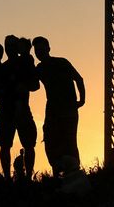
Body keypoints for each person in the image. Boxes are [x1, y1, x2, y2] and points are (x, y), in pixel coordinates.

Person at [32, 36, 85, 176]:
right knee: (51, 140)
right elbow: (33, 85)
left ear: (48, 48)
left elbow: (79, 79)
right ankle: (59, 173)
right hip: (53, 111)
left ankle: (73, 173)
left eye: (41, 49)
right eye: (36, 50)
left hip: (67, 109)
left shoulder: (62, 62)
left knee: (69, 141)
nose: (39, 52)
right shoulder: (39, 68)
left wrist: (82, 100)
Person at [0, 35, 39, 181]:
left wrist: (24, 85)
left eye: (13, 46)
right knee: (5, 145)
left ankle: (27, 178)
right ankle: (7, 177)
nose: (10, 49)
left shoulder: (26, 61)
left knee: (28, 144)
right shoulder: (2, 68)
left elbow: (35, 85)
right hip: (6, 110)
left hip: (22, 109)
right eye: (7, 46)